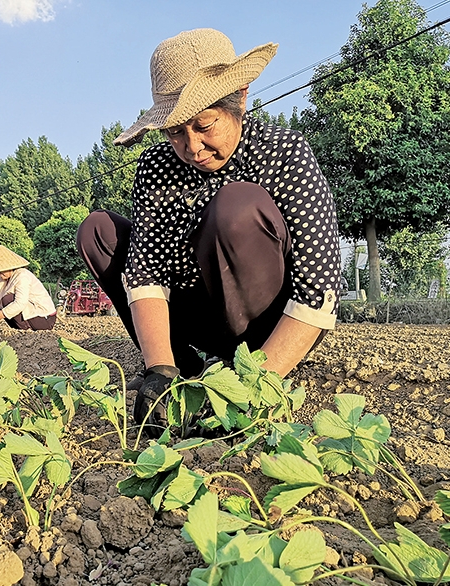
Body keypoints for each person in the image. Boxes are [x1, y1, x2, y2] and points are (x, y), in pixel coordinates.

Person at [76, 29, 342, 436]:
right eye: (175, 132)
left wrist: (252, 389)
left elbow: (317, 289)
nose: (192, 146)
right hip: (199, 312)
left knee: (234, 207)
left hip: (266, 323)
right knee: (98, 231)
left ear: (241, 97)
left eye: (204, 125)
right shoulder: (157, 167)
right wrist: (159, 369)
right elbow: (146, 271)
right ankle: (183, 371)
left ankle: (250, 369)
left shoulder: (284, 152)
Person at [0, 245, 57, 330]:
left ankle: (26, 330)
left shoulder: (22, 276)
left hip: (44, 317)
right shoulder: (2, 280)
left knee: (7, 299)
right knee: (2, 301)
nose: (0, 274)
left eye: (2, 271)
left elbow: (20, 303)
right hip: (30, 316)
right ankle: (19, 330)